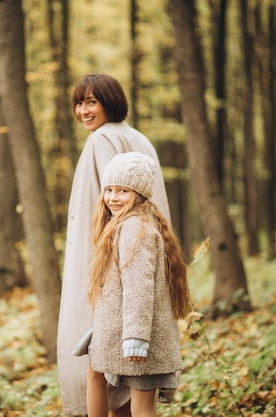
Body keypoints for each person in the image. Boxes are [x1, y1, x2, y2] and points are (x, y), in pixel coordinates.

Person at [57, 74, 173, 416]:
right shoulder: (140, 138)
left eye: (91, 102)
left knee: (99, 361)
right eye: (79, 103)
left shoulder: (101, 139)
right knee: (123, 367)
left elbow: (109, 206)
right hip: (143, 255)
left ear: (110, 101)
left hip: (110, 262)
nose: (83, 110)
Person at [85, 152, 191, 417]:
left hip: (136, 336)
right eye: (109, 189)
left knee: (143, 408)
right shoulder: (126, 223)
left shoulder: (135, 227)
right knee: (95, 375)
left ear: (140, 194)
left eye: (123, 191)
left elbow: (139, 286)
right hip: (117, 332)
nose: (113, 197)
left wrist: (136, 337)